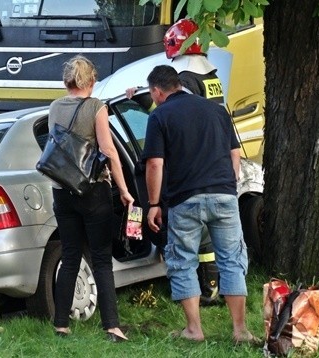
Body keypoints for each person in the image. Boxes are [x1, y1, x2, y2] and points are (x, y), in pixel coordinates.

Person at [143, 65, 257, 344]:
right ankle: (240, 331)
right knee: (232, 260)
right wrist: (228, 186)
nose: (153, 98)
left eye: (151, 94)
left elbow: (155, 163)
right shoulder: (217, 111)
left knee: (182, 262)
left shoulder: (159, 116)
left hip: (185, 199)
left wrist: (154, 203)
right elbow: (234, 154)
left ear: (158, 91)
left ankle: (194, 330)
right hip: (224, 195)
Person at [126, 18, 224, 305]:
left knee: (197, 237)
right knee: (212, 238)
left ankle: (200, 290)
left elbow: (175, 113)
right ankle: (212, 286)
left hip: (190, 166)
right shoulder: (209, 76)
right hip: (212, 159)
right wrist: (143, 102)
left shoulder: (188, 77)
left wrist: (143, 101)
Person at [49, 55, 134, 342]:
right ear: (92, 81)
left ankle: (61, 325)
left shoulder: (54, 107)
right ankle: (112, 326)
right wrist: (123, 189)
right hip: (92, 190)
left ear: (67, 81)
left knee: (70, 255)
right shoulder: (97, 107)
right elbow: (109, 152)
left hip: (62, 191)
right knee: (100, 259)